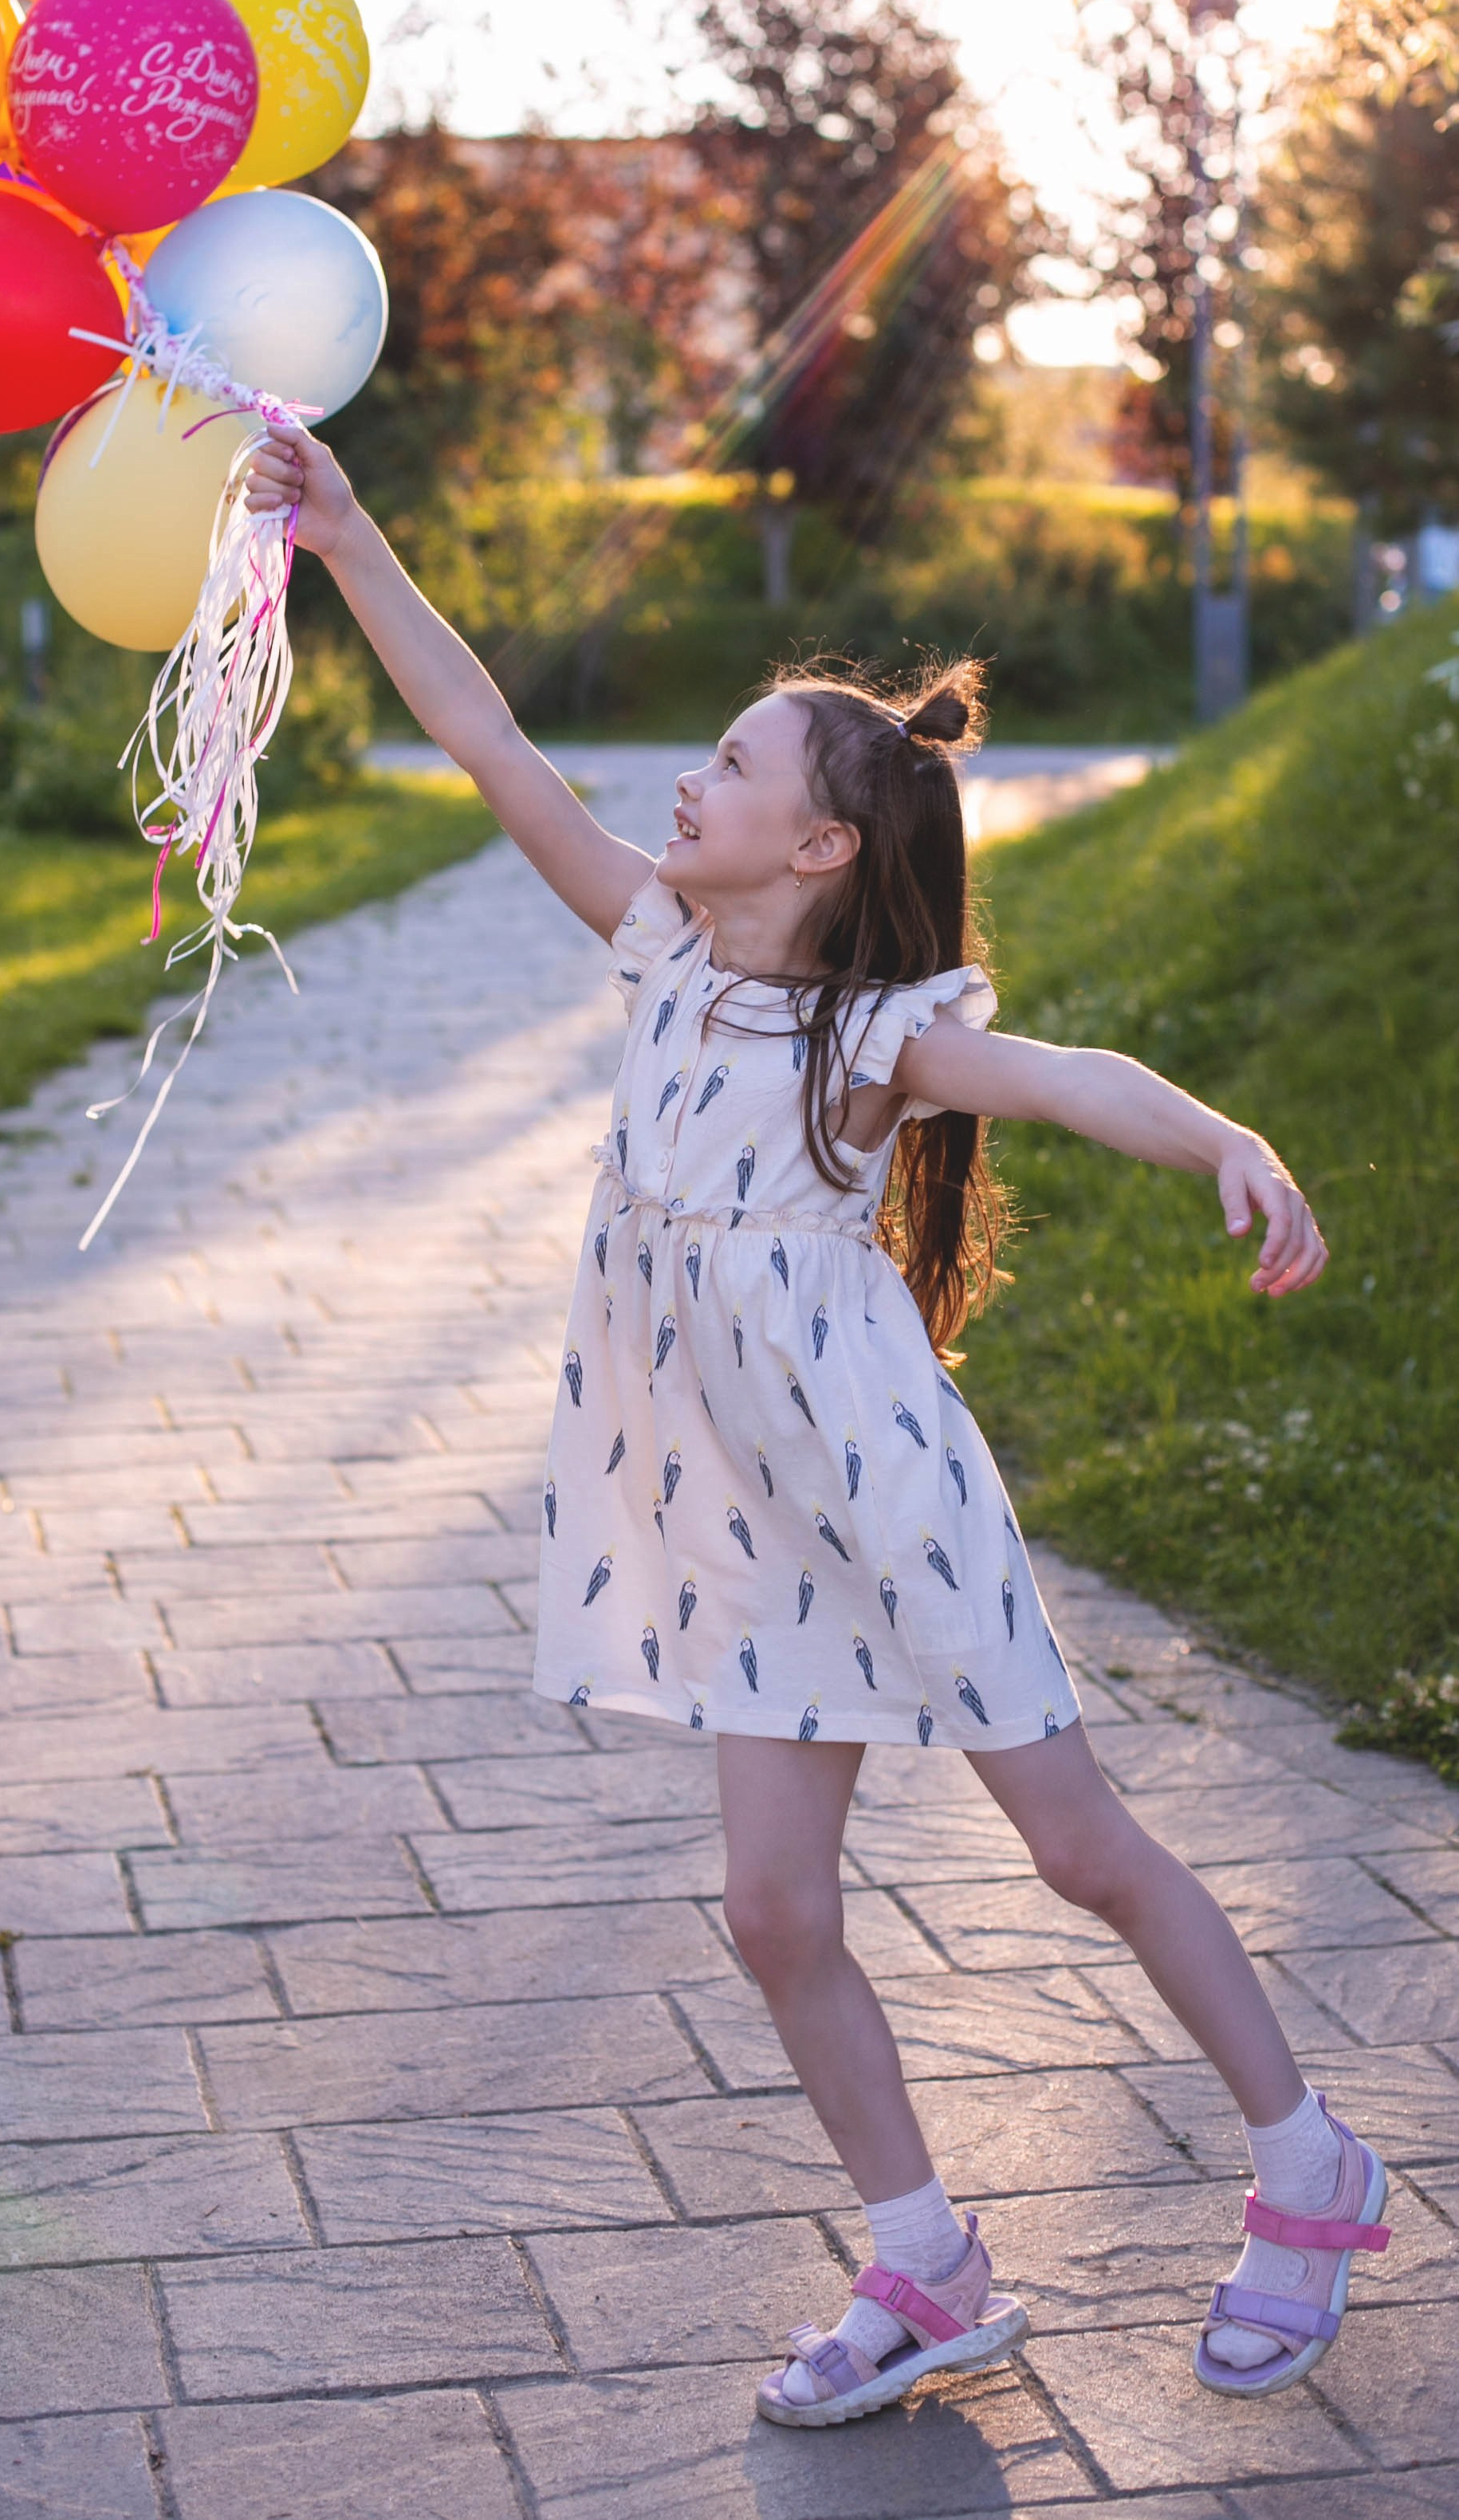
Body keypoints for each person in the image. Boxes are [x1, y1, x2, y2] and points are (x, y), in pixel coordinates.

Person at [242, 425, 1390, 2425]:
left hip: (882, 1497)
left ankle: (1310, 2174)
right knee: (770, 1908)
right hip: (734, 1512)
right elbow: (489, 735)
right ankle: (925, 2262)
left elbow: (1059, 1069)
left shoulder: (866, 1040)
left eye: (732, 765)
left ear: (819, 849)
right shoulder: (659, 953)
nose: (685, 778)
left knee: (1079, 1852)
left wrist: (1230, 1139)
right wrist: (346, 537)